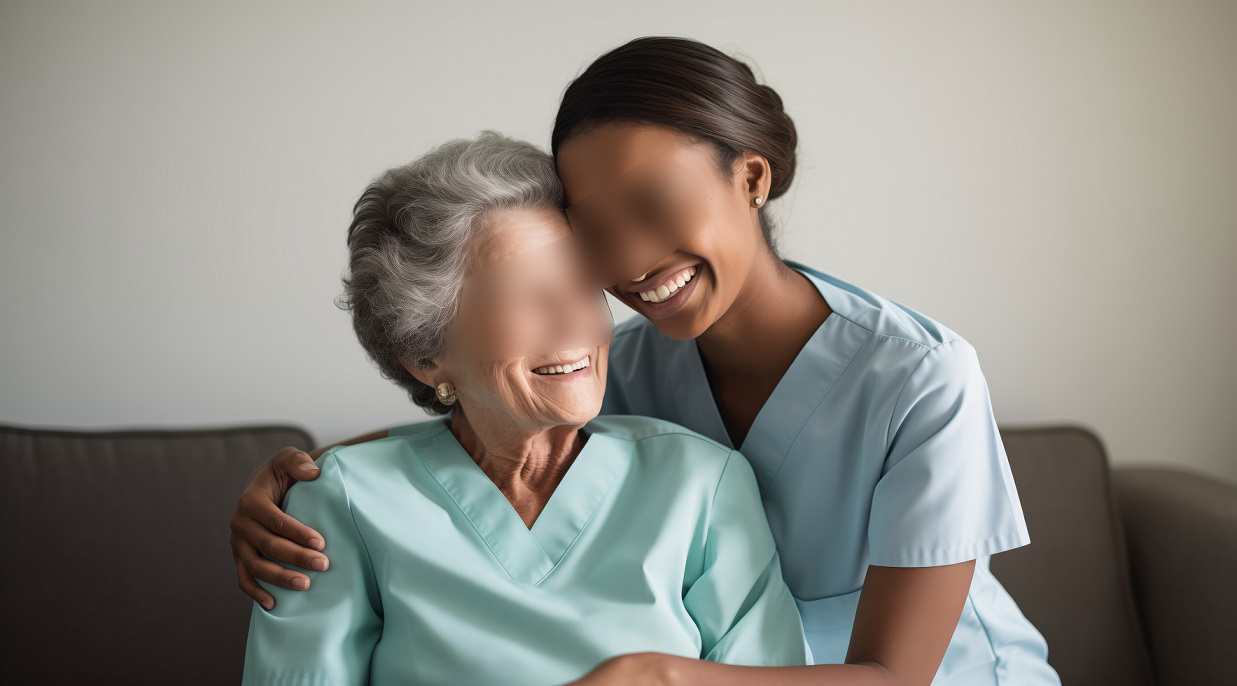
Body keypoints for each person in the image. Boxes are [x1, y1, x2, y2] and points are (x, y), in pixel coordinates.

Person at [232, 37, 1061, 684]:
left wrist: (660, 675)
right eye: (593, 227)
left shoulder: (920, 378)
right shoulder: (625, 366)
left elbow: (892, 674)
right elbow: (484, 409)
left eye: (655, 204)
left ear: (751, 179)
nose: (625, 261)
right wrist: (306, 484)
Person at [239, 132, 811, 686]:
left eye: (584, 287)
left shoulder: (704, 486)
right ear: (426, 356)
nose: (577, 323)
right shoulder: (339, 504)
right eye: (529, 298)